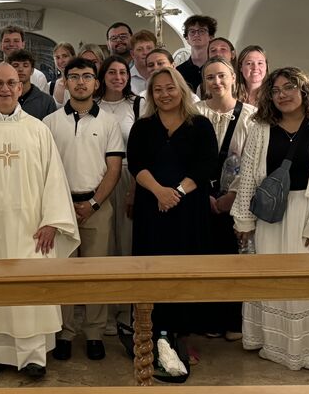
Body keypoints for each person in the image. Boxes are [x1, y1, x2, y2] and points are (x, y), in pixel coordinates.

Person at [0, 62, 79, 379]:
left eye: (11, 83)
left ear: (21, 88)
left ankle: (33, 356)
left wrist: (52, 222)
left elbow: (54, 180)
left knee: (31, 290)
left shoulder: (38, 130)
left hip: (33, 231)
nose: (5, 89)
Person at [231, 67, 309, 371]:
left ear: (304, 90)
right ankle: (276, 346)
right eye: (276, 90)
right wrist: (243, 220)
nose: (282, 95)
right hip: (272, 219)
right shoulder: (260, 127)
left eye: (289, 87)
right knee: (275, 282)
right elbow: (247, 179)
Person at [127, 67, 217, 380]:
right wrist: (159, 192)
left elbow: (207, 164)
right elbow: (136, 164)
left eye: (170, 88)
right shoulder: (143, 127)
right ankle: (152, 335)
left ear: (181, 89)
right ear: (150, 95)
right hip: (152, 209)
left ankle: (181, 336)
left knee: (185, 270)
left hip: (188, 209)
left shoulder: (200, 125)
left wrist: (176, 192)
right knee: (152, 270)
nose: (165, 94)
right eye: (158, 90)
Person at [43, 57, 124, 362]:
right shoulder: (49, 123)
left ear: (96, 83)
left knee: (96, 273)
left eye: (86, 76)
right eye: (73, 77)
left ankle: (93, 332)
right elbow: (45, 170)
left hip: (97, 206)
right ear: (64, 82)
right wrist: (62, 206)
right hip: (60, 209)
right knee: (63, 274)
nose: (80, 82)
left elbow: (114, 169)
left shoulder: (108, 122)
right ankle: (64, 332)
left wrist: (92, 204)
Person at [196, 57, 256, 341]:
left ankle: (233, 319)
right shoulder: (194, 114)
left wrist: (233, 194)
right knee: (205, 259)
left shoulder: (252, 117)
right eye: (210, 77)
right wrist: (203, 195)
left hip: (238, 199)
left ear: (233, 78)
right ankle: (208, 317)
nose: (216, 82)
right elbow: (189, 158)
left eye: (221, 76)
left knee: (234, 261)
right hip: (200, 199)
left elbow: (254, 162)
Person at [96, 54, 146, 333]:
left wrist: (134, 189)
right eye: (112, 73)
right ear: (102, 77)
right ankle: (102, 316)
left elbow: (142, 151)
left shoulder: (137, 104)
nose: (118, 77)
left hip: (129, 177)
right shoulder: (92, 106)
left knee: (127, 246)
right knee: (103, 247)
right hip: (100, 178)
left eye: (122, 73)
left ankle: (128, 314)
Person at [8, 50, 57, 120]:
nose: (20, 69)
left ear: (32, 71)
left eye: (25, 65)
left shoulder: (46, 101)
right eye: (16, 65)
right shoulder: (3, 98)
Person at [0, 25, 47, 90]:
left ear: (23, 44)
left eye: (16, 41)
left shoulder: (38, 77)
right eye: (7, 41)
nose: (11, 44)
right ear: (1, 45)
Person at [176, 15, 217, 91]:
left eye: (201, 31)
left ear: (211, 37)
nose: (196, 35)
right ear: (187, 38)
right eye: (192, 31)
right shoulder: (178, 71)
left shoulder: (217, 67)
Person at [47, 42, 75, 107]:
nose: (61, 61)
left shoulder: (81, 84)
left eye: (65, 56)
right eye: (57, 57)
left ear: (73, 57)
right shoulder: (50, 86)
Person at [130, 30, 157, 95]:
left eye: (149, 48)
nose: (145, 53)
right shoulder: (126, 78)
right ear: (132, 54)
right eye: (140, 49)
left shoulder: (164, 75)